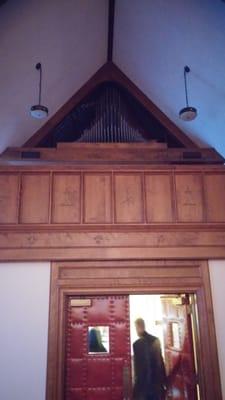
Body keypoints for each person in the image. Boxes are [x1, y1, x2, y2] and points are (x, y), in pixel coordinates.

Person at [133, 318, 167, 400]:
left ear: (138, 327)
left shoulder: (136, 344)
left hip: (143, 386)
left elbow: (137, 367)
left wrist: (136, 385)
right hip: (156, 384)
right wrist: (164, 381)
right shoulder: (156, 340)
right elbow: (160, 363)